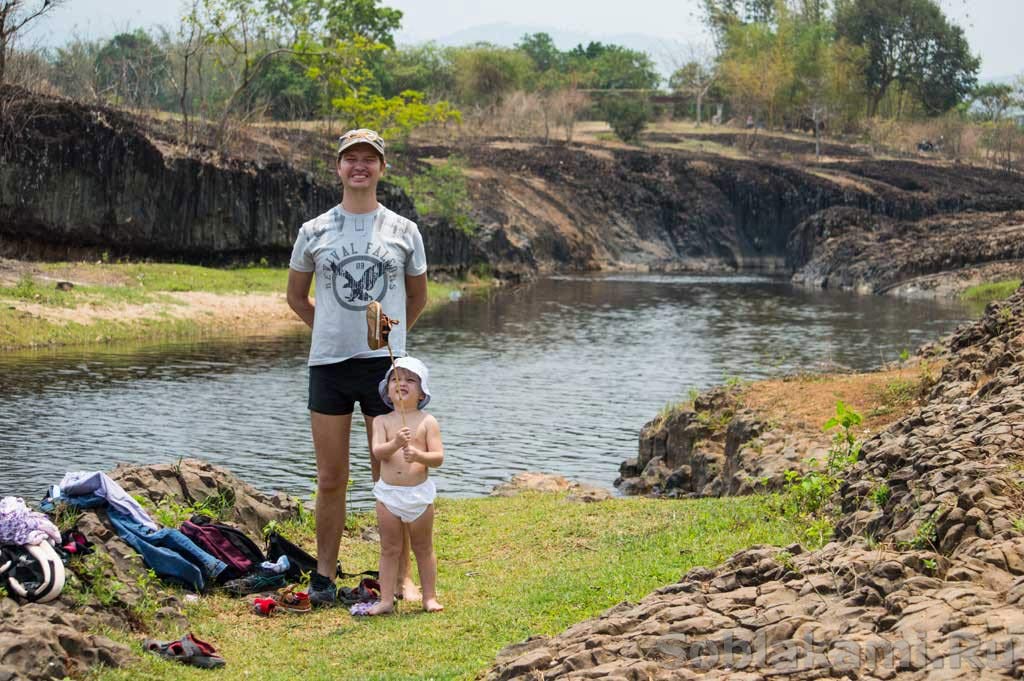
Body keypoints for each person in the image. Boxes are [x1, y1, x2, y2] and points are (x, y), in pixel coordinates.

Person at [286, 128, 428, 607]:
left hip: (382, 371)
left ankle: (403, 578)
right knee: (331, 477)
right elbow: (294, 296)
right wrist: (327, 327)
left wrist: (393, 341)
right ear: (339, 167)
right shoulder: (315, 229)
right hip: (328, 365)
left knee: (392, 475)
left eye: (370, 159)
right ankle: (324, 574)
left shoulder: (404, 231)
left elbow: (417, 297)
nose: (360, 166)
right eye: (351, 159)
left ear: (382, 169)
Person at [368, 356, 444, 615]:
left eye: (410, 380)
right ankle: (386, 599)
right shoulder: (382, 421)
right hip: (389, 494)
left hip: (418, 495)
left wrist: (420, 456)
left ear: (422, 393)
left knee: (423, 547)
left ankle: (429, 597)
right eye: (395, 379)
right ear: (387, 390)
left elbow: (438, 458)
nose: (401, 383)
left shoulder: (427, 421)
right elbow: (378, 452)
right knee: (389, 548)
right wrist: (395, 444)